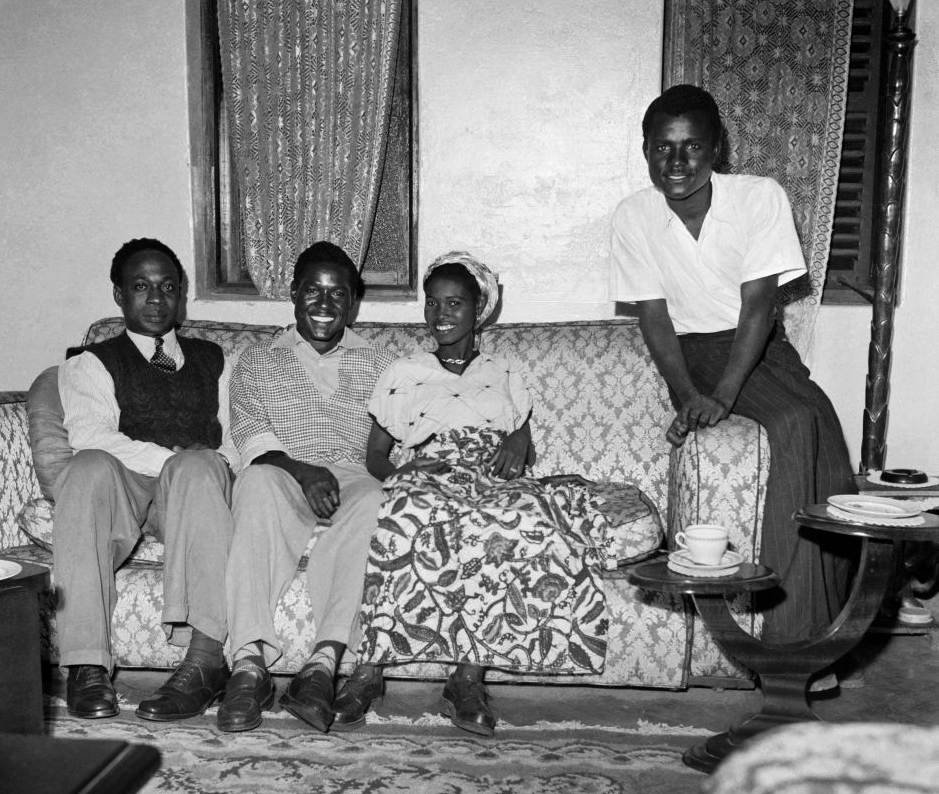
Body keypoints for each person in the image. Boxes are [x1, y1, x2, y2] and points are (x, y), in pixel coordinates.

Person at [346, 251, 637, 736]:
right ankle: (369, 670)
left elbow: (523, 441)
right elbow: (374, 454)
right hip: (429, 467)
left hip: (489, 473)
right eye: (433, 303)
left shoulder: (502, 371)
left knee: (515, 522)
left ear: (477, 308)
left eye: (455, 303)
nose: (441, 315)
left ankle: (466, 679)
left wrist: (519, 438)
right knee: (403, 516)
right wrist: (403, 469)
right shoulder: (404, 371)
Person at [610, 84, 855, 650]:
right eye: (661, 148)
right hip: (691, 354)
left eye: (691, 147)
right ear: (645, 151)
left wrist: (722, 395)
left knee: (829, 451)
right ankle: (789, 643)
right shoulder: (633, 216)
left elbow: (759, 308)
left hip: (760, 347)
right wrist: (690, 393)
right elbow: (654, 320)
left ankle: (825, 627)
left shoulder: (759, 196)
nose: (676, 162)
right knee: (795, 423)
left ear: (716, 148)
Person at [215, 241, 395, 734]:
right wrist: (303, 471)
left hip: (354, 475)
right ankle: (249, 664)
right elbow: (250, 435)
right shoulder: (258, 360)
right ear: (293, 294)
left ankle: (323, 664)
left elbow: (394, 439)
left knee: (377, 501)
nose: (323, 303)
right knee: (252, 484)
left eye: (338, 294)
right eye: (312, 290)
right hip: (283, 470)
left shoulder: (381, 364)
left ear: (353, 302)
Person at [56, 237, 236, 720]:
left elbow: (241, 432)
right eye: (141, 286)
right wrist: (168, 460)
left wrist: (213, 459)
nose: (156, 299)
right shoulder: (90, 362)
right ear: (118, 294)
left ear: (181, 295)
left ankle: (205, 661)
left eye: (168, 287)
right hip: (128, 483)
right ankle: (86, 663)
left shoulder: (214, 358)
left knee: (201, 467)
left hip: (195, 491)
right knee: (87, 468)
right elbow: (92, 436)